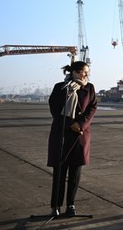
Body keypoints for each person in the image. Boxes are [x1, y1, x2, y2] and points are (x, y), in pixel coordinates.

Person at [47, 61, 97, 217]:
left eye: (87, 72)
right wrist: (70, 124)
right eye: (83, 71)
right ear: (74, 72)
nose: (86, 74)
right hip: (61, 133)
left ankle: (71, 205)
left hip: (80, 135)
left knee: (75, 173)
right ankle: (55, 206)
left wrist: (80, 124)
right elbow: (54, 109)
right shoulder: (60, 87)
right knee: (59, 172)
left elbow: (92, 108)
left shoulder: (90, 88)